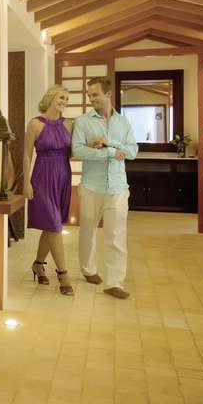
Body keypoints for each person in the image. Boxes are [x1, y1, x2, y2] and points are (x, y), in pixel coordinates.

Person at [71, 76, 138, 299]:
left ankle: (114, 282)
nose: (91, 99)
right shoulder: (82, 122)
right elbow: (78, 150)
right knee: (87, 230)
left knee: (116, 234)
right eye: (89, 95)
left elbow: (132, 151)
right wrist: (110, 153)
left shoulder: (124, 123)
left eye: (95, 94)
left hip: (118, 187)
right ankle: (88, 269)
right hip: (91, 186)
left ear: (108, 94)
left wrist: (110, 144)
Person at [24, 85, 74, 296]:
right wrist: (26, 182)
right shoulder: (35, 123)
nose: (64, 102)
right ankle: (63, 274)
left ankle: (38, 264)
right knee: (54, 225)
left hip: (63, 176)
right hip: (42, 178)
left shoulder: (68, 124)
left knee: (51, 224)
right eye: (62, 97)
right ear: (51, 98)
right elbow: (27, 154)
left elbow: (74, 151)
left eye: (67, 99)